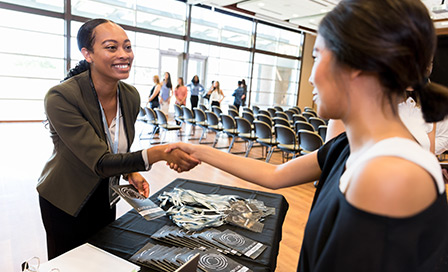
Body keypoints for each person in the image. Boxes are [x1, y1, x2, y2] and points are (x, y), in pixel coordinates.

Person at [166, 1, 448, 271]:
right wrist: (196, 151)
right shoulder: (349, 146)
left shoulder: (388, 174)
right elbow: (276, 175)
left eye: (317, 57)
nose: (311, 77)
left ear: (355, 65)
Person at [37, 19, 199, 260]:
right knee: (69, 264)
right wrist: (160, 153)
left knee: (101, 260)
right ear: (88, 54)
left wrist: (129, 172)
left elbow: (115, 146)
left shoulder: (130, 96)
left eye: (127, 47)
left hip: (105, 197)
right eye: (111, 47)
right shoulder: (61, 97)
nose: (124, 55)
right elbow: (100, 161)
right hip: (66, 200)